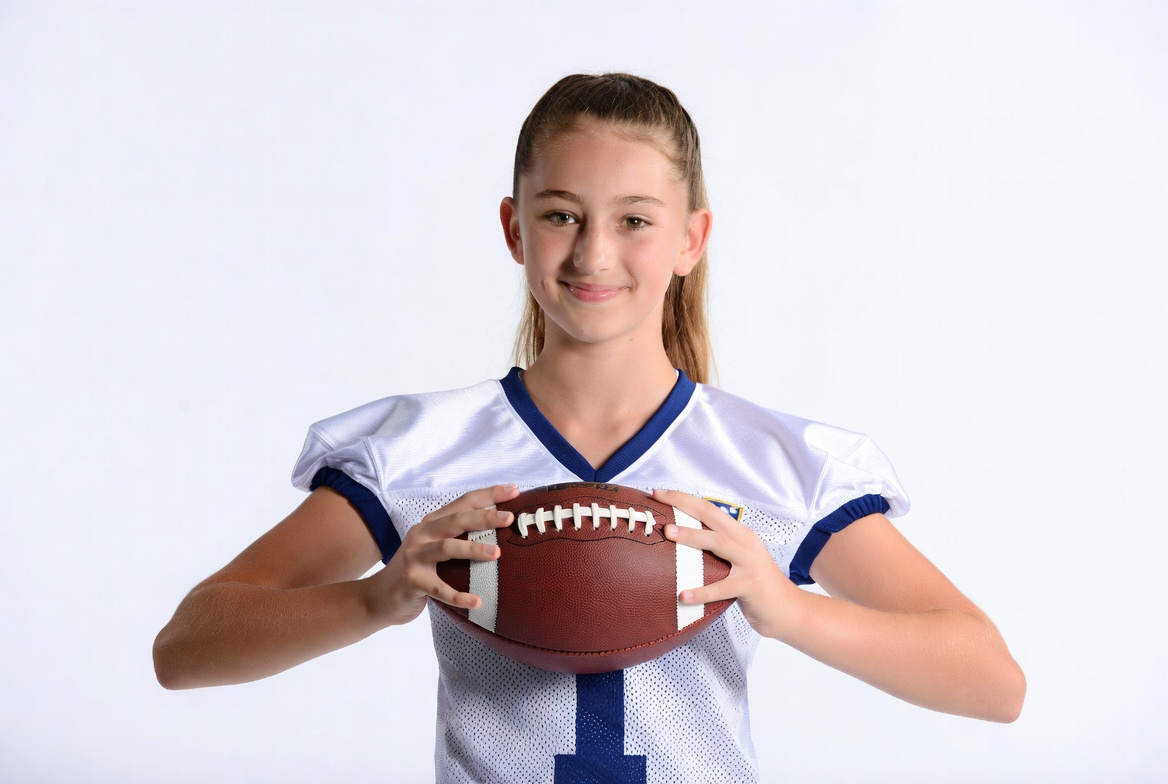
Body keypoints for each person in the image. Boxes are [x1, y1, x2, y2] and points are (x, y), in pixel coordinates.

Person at [154, 72, 1025, 782]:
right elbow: (185, 649)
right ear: (514, 229)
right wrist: (376, 597)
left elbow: (993, 681)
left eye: (634, 221)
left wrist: (787, 608)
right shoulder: (421, 452)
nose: (593, 253)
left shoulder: (772, 462)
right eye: (561, 214)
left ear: (691, 239)